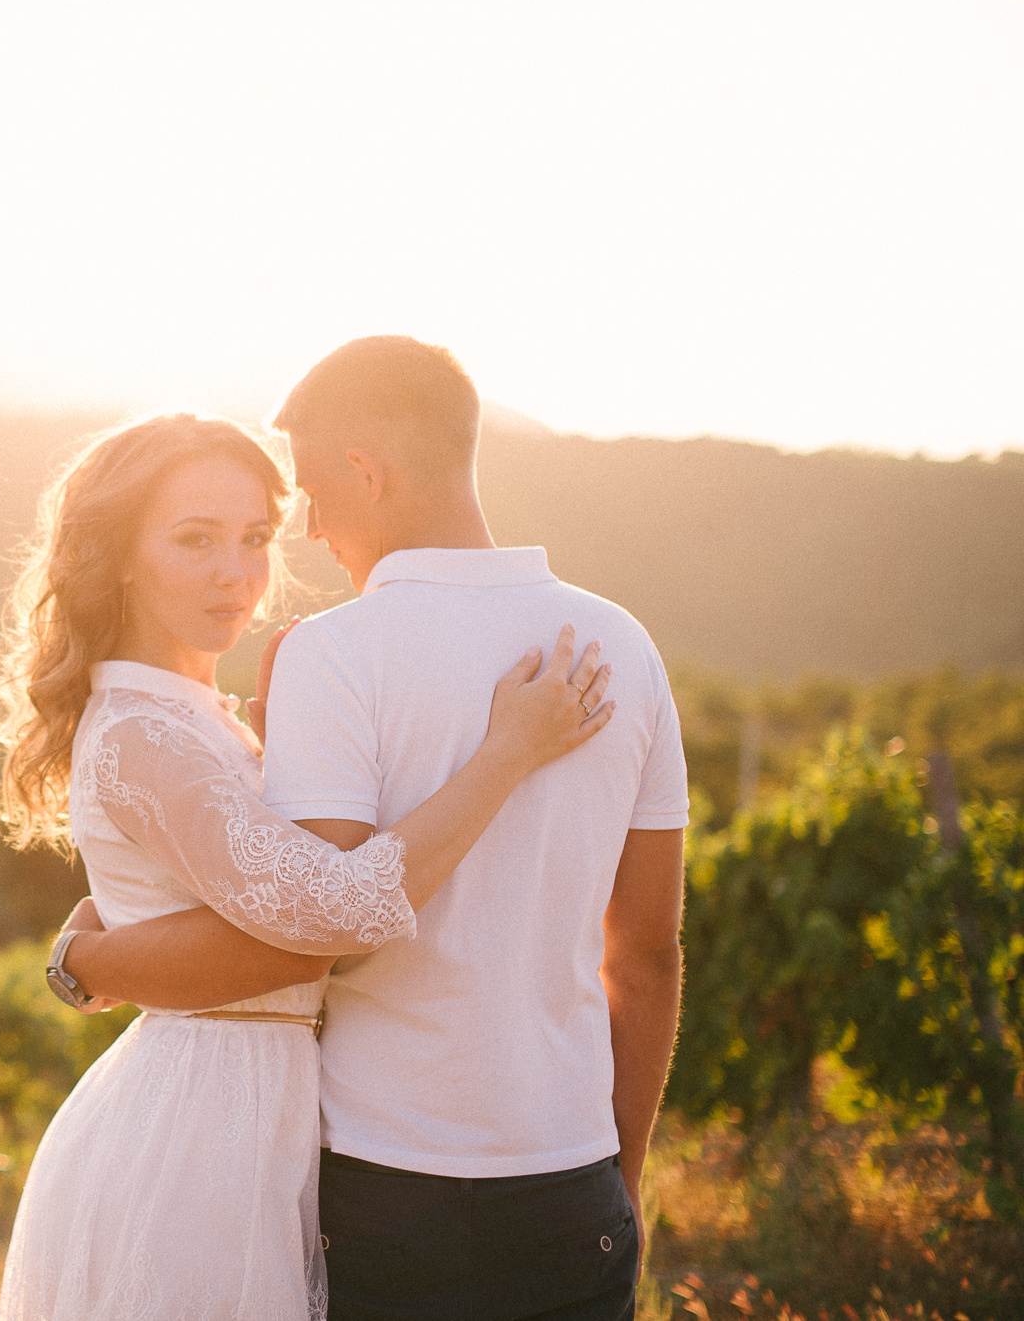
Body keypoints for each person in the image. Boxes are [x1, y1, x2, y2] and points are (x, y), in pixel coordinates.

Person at [58, 338, 690, 1321]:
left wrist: (91, 960)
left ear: (363, 472)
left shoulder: (328, 656)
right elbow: (645, 954)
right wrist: (617, 1173)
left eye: (293, 505)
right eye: (199, 539)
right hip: (571, 1175)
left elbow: (311, 930)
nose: (303, 533)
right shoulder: (620, 645)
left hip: (384, 1178)